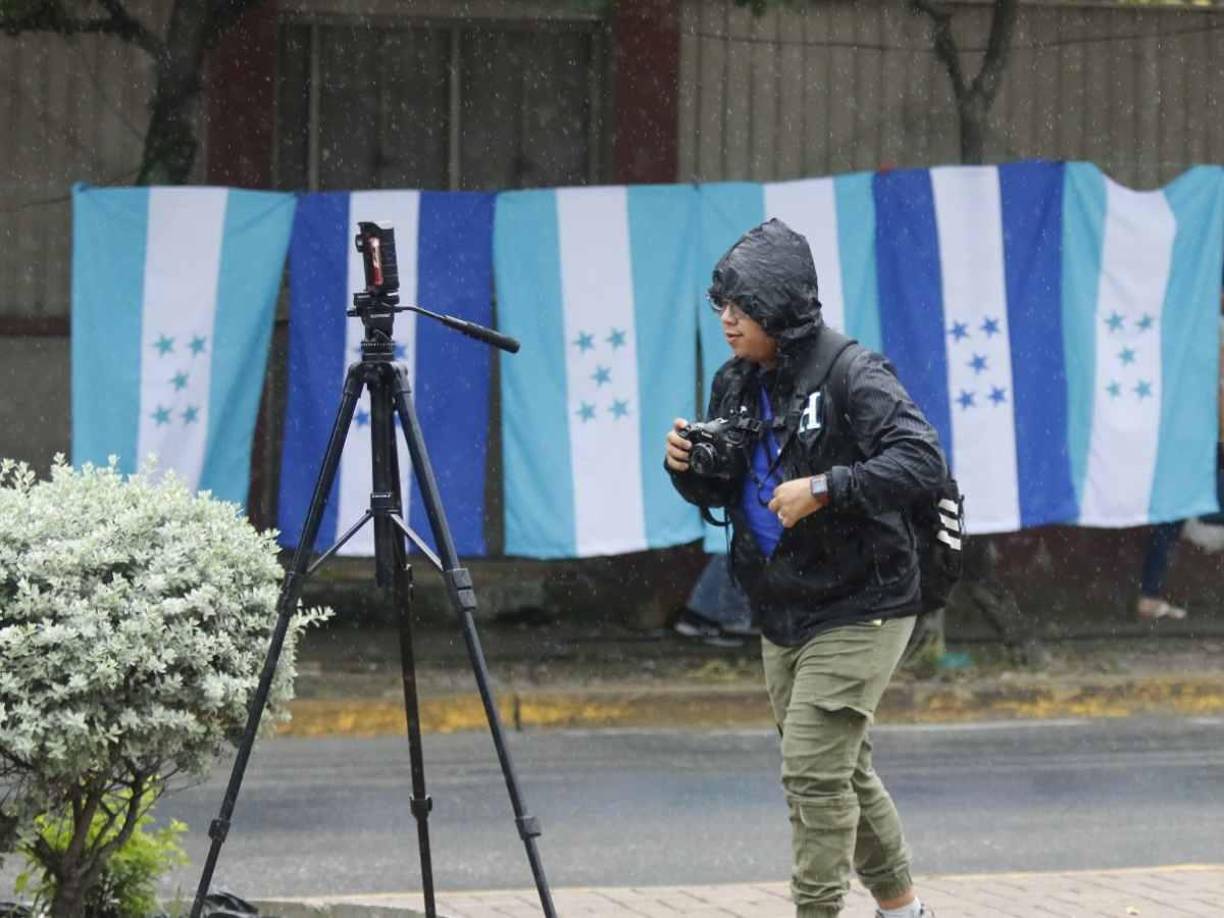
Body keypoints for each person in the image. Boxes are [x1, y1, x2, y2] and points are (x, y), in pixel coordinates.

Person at [664, 219, 945, 918]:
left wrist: (825, 488)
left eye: (742, 306)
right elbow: (732, 485)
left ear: (782, 311)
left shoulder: (854, 372)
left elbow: (920, 460)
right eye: (721, 306)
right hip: (783, 601)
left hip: (864, 597)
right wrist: (690, 470)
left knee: (812, 773)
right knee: (841, 768)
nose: (727, 320)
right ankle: (905, 908)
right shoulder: (736, 380)